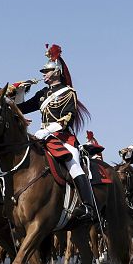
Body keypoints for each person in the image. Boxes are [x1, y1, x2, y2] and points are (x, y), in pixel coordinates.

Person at [17, 44, 97, 222]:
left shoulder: (68, 93)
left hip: (62, 137)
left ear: (57, 72)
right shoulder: (42, 94)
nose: (43, 74)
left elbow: (67, 118)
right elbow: (22, 108)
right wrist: (19, 92)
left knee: (73, 162)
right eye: (43, 71)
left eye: (46, 71)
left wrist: (47, 131)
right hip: (43, 137)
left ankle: (88, 206)